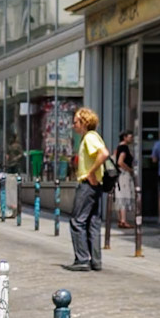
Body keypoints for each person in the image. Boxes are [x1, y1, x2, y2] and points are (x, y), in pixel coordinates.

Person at [68, 105, 108, 272]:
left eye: (76, 121)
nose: (73, 125)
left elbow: (103, 153)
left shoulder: (90, 137)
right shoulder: (92, 137)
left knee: (77, 221)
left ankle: (82, 259)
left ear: (84, 122)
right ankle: (95, 261)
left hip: (87, 185)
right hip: (95, 186)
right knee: (93, 222)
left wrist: (90, 173)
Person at [115, 129, 136, 230]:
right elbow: (120, 162)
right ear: (125, 137)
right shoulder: (124, 148)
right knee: (124, 196)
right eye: (130, 136)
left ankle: (121, 219)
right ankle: (123, 220)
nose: (131, 138)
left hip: (119, 175)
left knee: (120, 196)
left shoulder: (119, 147)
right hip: (123, 175)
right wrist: (130, 170)